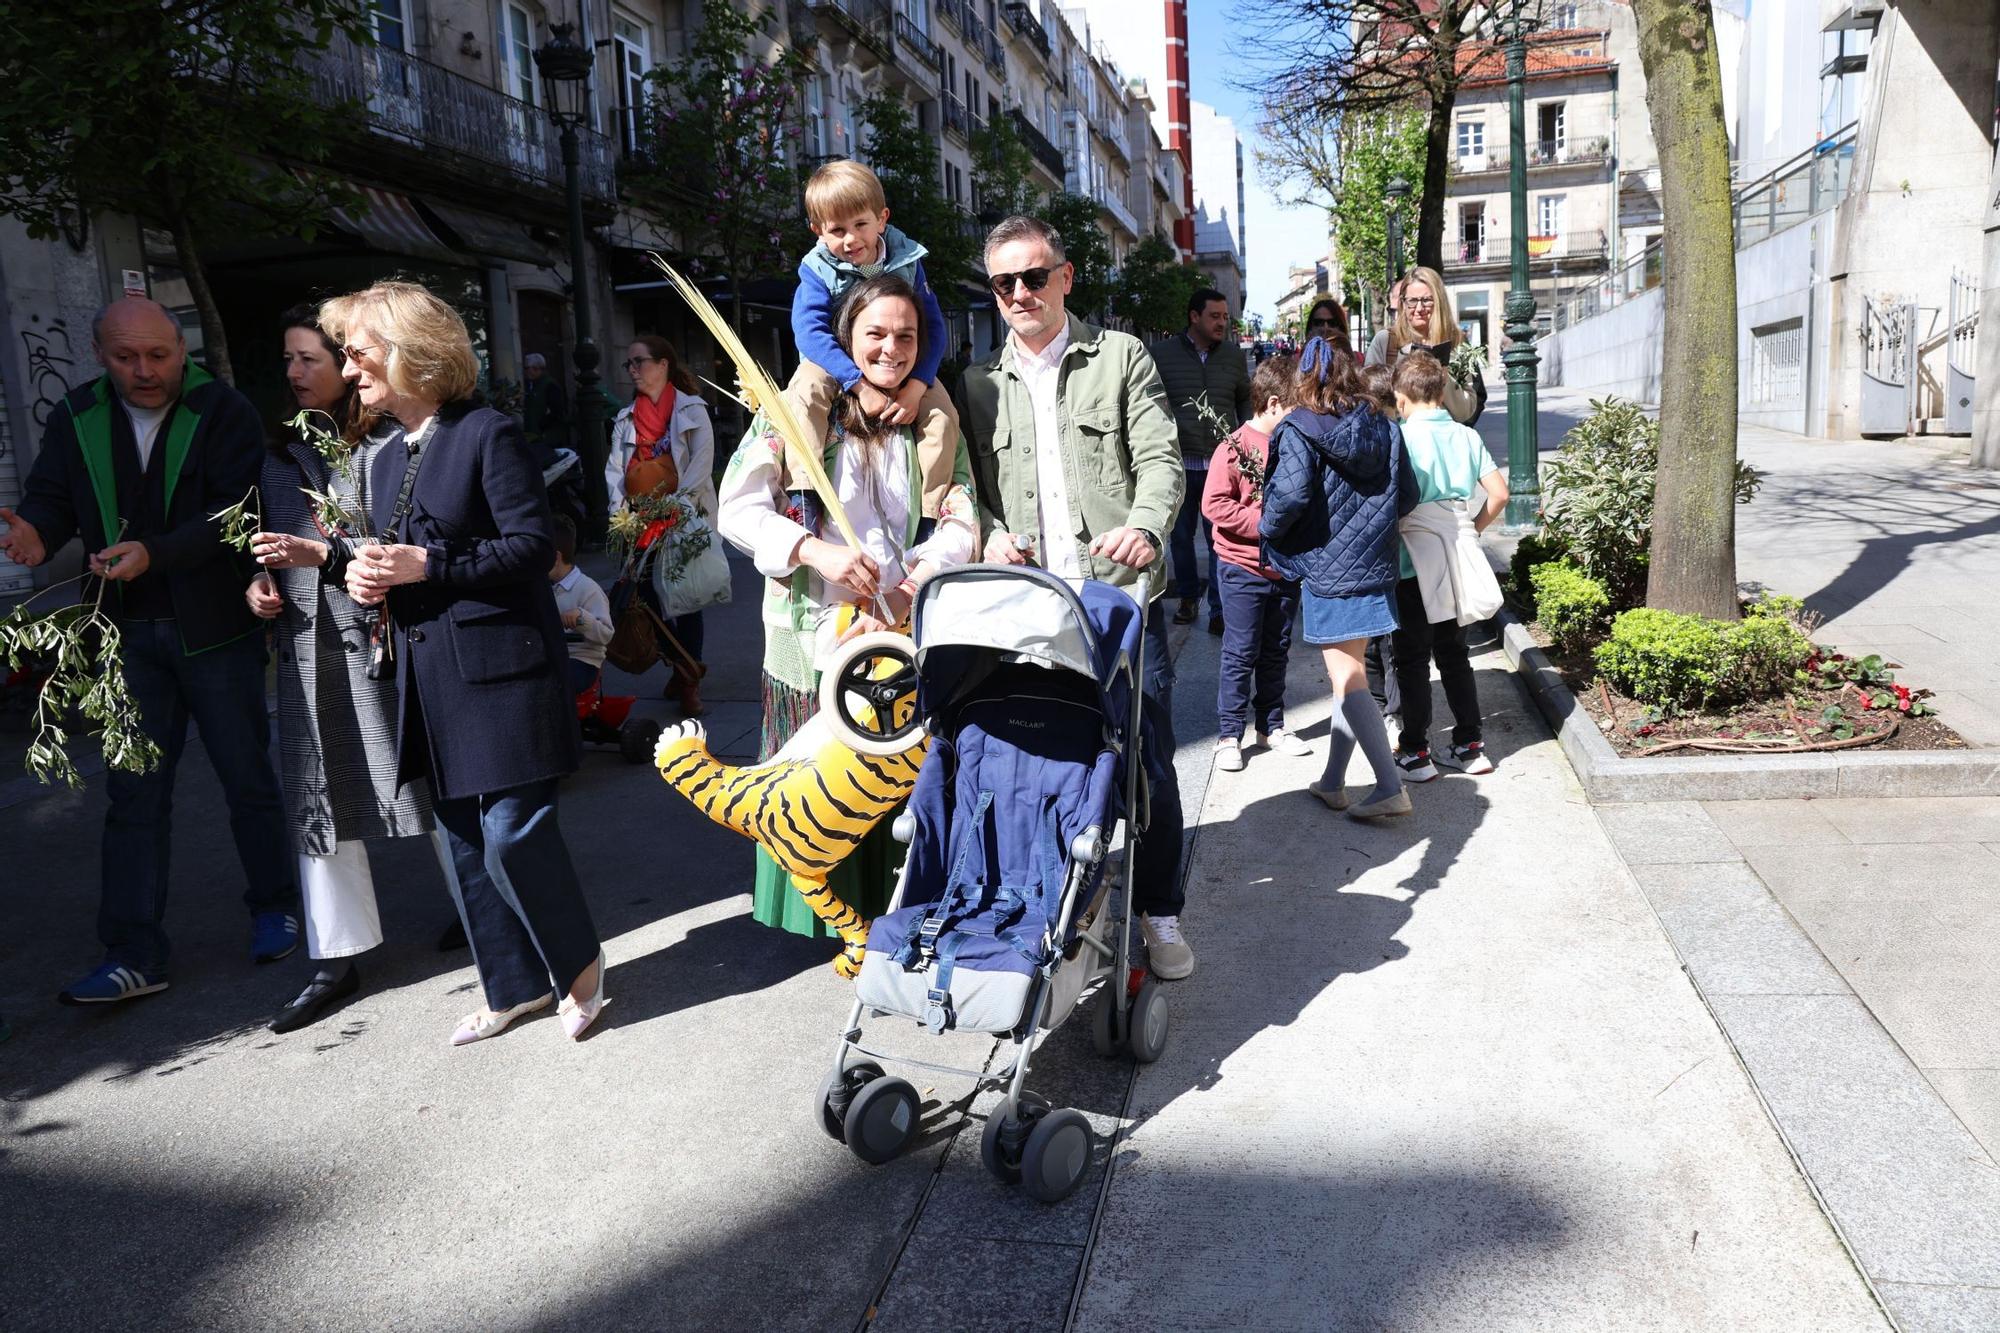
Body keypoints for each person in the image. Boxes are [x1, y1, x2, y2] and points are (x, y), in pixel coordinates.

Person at [325, 280, 606, 1045]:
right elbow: (399, 557)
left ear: (410, 350)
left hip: (504, 669)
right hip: (430, 671)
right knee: (457, 835)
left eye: (358, 353)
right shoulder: (383, 456)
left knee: (513, 829)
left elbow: (532, 549)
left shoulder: (488, 432)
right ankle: (512, 987)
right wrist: (362, 573)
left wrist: (427, 566)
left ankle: (579, 970)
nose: (348, 371)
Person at [1, 297, 298, 1005]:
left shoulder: (221, 409)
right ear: (101, 356)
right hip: (125, 633)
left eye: (158, 355)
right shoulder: (75, 415)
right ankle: (133, 950)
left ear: (179, 348)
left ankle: (276, 905)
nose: (144, 370)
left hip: (217, 629)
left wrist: (155, 554)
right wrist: (36, 532)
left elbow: (234, 514)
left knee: (247, 777)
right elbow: (50, 496)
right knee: (132, 794)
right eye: (126, 357)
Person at [956, 215, 1194, 980]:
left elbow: (1161, 458)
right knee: (1046, 766)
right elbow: (966, 491)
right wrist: (989, 531)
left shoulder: (1119, 358)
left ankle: (1159, 915)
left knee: (1148, 769)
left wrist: (1148, 527)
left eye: (1033, 276)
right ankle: (1063, 913)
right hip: (1030, 616)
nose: (1020, 293)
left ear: (1064, 277)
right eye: (1004, 283)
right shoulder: (976, 384)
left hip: (1121, 606)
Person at [718, 272, 978, 955]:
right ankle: (833, 918)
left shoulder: (929, 419)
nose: (891, 349)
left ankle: (895, 911)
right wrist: (813, 551)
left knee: (895, 775)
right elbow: (738, 508)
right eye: (875, 334)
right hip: (815, 634)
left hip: (899, 628)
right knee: (819, 778)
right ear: (845, 338)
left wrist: (909, 584)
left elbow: (961, 514)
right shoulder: (798, 414)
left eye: (906, 336)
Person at [246, 306, 459, 1034]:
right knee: (318, 790)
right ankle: (336, 958)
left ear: (348, 363)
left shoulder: (396, 437)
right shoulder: (277, 452)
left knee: (427, 775)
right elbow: (262, 541)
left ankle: (486, 908)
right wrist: (259, 585)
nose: (293, 372)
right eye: (288, 358)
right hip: (309, 640)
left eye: (308, 357)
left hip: (389, 630)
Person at [1259, 336, 1417, 822]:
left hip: (1329, 571)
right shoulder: (1384, 426)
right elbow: (1407, 495)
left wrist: (1264, 526)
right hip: (1375, 566)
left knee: (1347, 679)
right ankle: (1332, 782)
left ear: (1302, 381)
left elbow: (1288, 499)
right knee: (1346, 675)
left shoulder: (1298, 428)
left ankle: (1390, 788)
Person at [786, 159, 960, 523]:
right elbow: (809, 332)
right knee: (803, 392)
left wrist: (917, 385)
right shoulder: (817, 269)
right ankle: (804, 492)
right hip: (834, 363)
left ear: (882, 219)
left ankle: (932, 512)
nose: (851, 239)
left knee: (942, 415)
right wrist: (856, 383)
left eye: (861, 224)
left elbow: (933, 326)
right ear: (817, 231)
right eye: (837, 230)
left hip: (898, 364)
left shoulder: (908, 260)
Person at [1388, 352, 1508, 780]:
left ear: (1401, 395)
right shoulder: (1465, 436)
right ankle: (1469, 745)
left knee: (1413, 659)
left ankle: (1416, 751)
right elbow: (1499, 495)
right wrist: (1471, 528)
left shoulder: (1397, 437)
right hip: (1457, 552)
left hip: (1411, 562)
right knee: (1455, 654)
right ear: (1441, 392)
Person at [1203, 354, 1309, 773]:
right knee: (1240, 650)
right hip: (1241, 567)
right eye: (1297, 407)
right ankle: (1229, 735)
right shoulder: (1233, 447)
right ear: (1272, 404)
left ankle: (1271, 725)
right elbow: (1214, 504)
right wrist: (1264, 523)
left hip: (1284, 569)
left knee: (1276, 650)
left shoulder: (1295, 443)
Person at [606, 334, 714, 715]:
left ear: (663, 364)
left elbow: (701, 465)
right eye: (630, 364)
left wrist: (675, 506)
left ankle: (688, 682)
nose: (633, 369)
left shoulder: (692, 410)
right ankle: (681, 668)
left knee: (685, 602)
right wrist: (620, 514)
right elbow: (615, 471)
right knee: (648, 603)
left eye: (640, 362)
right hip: (639, 524)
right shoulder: (626, 418)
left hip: (683, 518)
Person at [1150, 287, 1250, 634]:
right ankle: (1189, 598)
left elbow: (1245, 405)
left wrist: (1247, 449)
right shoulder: (1161, 354)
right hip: (1178, 466)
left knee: (1219, 540)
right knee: (1180, 539)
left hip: (1222, 469)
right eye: (1215, 316)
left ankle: (1220, 609)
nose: (1222, 322)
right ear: (1194, 317)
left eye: (1225, 316)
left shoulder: (1234, 357)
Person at [1365, 265, 1486, 426]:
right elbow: (1369, 399)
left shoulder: (1457, 343)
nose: (1419, 308)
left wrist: (1445, 381)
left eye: (1427, 300)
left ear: (1439, 302)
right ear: (1402, 302)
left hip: (1445, 442)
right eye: (1412, 301)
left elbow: (1467, 412)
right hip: (1398, 444)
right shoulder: (1386, 342)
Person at [549, 513, 614, 698]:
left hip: (582, 660)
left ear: (555, 558)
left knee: (555, 683)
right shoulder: (543, 588)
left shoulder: (587, 589)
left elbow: (606, 635)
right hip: (553, 655)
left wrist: (581, 619)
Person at [520, 352, 568, 469]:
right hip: (533, 436)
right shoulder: (531, 385)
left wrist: (542, 427)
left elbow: (557, 411)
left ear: (537, 369)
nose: (526, 371)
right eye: (525, 368)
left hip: (546, 438)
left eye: (528, 368)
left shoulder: (550, 385)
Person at [1303, 298, 1357, 363]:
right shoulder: (1297, 361)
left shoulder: (1359, 360)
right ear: (1310, 327)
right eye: (1319, 323)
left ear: (1341, 327)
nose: (1326, 328)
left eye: (1332, 323)